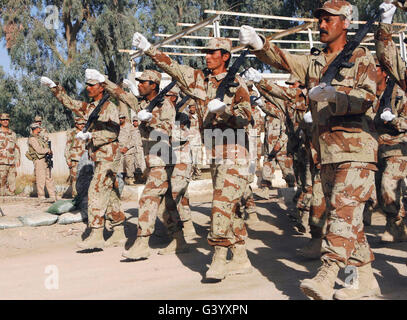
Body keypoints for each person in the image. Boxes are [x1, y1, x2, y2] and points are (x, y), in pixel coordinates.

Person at [240, 0, 380, 299]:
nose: (321, 25)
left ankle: (327, 275)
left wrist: (336, 96)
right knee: (349, 221)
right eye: (320, 20)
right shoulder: (315, 62)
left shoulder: (361, 57)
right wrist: (259, 44)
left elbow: (368, 97)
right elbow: (285, 60)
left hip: (356, 151)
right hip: (327, 153)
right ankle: (363, 280)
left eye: (328, 19)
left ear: (345, 22)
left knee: (341, 218)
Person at [132, 33, 253, 280]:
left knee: (220, 204)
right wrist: (149, 50)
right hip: (216, 152)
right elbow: (173, 68)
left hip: (235, 150)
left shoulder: (236, 84)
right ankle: (241, 258)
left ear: (225, 57)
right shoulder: (199, 80)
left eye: (212, 53)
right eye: (205, 53)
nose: (206, 56)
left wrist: (226, 111)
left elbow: (246, 116)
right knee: (231, 206)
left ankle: (219, 258)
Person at [94, 69, 189, 259]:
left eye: (143, 82)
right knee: (168, 203)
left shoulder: (166, 105)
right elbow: (121, 94)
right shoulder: (141, 103)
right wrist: (102, 80)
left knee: (147, 198)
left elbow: (167, 130)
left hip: (163, 160)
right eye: (138, 82)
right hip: (151, 161)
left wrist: (151, 119)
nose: (139, 84)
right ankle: (180, 241)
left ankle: (142, 242)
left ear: (153, 85)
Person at [41, 70, 126, 250]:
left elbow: (114, 132)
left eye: (91, 85)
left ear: (101, 87)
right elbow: (71, 103)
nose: (87, 88)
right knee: (110, 193)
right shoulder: (90, 107)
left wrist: (91, 137)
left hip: (109, 155)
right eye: (86, 85)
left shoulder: (109, 107)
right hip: (99, 156)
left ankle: (96, 233)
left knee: (95, 191)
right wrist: (54, 88)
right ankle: (119, 231)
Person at [374, 58, 407, 242]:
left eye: (376, 68)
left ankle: (396, 225)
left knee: (388, 185)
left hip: (398, 147)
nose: (371, 71)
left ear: (384, 72)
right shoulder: (370, 93)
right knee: (380, 190)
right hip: (378, 149)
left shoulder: (399, 93)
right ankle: (396, 224)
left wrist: (393, 120)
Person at [26, 123, 57, 202]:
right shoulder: (32, 139)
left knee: (49, 177)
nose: (40, 129)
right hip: (39, 160)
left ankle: (52, 195)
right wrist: (47, 150)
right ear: (35, 129)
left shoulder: (40, 138)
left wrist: (49, 151)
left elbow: (45, 146)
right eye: (38, 128)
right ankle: (41, 196)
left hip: (45, 159)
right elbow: (38, 150)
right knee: (40, 178)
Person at [64, 116, 86, 197]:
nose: (82, 125)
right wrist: (68, 160)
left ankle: (84, 196)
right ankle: (75, 196)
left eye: (83, 124)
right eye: (80, 124)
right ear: (76, 124)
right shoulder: (72, 133)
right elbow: (67, 147)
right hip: (75, 159)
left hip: (85, 159)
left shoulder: (86, 133)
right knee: (74, 178)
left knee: (85, 178)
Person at [0, 113, 20, 196]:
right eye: (3, 120)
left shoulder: (13, 134)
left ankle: (11, 199)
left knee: (12, 181)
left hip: (11, 162)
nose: (5, 121)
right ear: (0, 121)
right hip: (1, 162)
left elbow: (17, 148)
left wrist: (18, 159)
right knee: (1, 182)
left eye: (7, 120)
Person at [118, 112, 138, 185]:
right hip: (119, 150)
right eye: (119, 118)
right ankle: (121, 182)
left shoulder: (130, 127)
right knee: (120, 168)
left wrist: (127, 147)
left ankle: (131, 179)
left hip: (129, 150)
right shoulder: (117, 127)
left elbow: (134, 139)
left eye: (122, 118)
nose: (120, 119)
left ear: (125, 118)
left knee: (129, 165)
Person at [131, 114, 146, 183]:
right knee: (135, 165)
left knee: (143, 164)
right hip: (134, 149)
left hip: (141, 149)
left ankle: (145, 178)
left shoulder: (141, 129)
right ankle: (138, 179)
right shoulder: (131, 130)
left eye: (136, 121)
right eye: (134, 121)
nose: (135, 122)